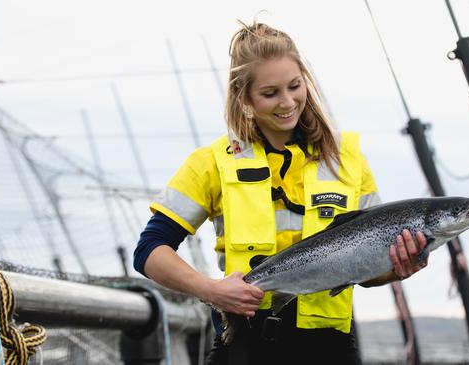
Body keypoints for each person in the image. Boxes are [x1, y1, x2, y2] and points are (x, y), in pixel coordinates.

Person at [133, 21, 429, 365]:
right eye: (270, 93)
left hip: (330, 351)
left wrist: (401, 266)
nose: (287, 102)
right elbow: (149, 250)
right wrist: (211, 290)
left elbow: (369, 275)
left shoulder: (347, 160)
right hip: (245, 346)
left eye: (295, 86)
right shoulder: (211, 163)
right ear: (244, 97)